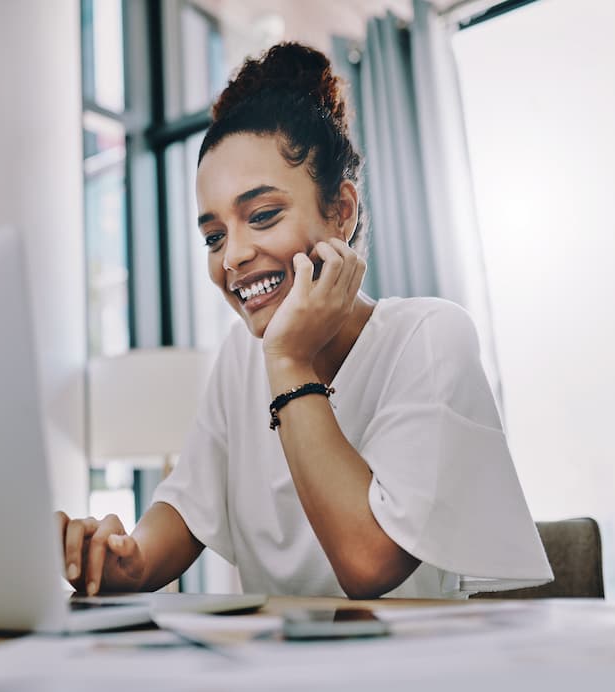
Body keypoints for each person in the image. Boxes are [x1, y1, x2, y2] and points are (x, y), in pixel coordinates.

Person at [57, 42, 552, 599]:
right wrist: (127, 559)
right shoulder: (239, 359)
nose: (232, 257)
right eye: (214, 236)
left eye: (262, 215)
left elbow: (368, 564)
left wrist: (290, 361)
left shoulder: (430, 338)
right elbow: (185, 506)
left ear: (341, 211)